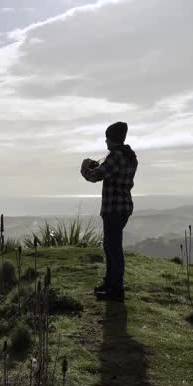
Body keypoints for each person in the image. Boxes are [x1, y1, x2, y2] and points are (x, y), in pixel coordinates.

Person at [80, 121, 138, 301]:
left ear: (112, 139)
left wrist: (84, 168)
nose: (105, 142)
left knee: (113, 249)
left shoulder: (116, 156)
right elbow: (108, 172)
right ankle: (110, 283)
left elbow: (95, 176)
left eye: (107, 138)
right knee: (111, 247)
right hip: (123, 207)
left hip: (114, 208)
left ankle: (116, 290)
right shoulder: (130, 157)